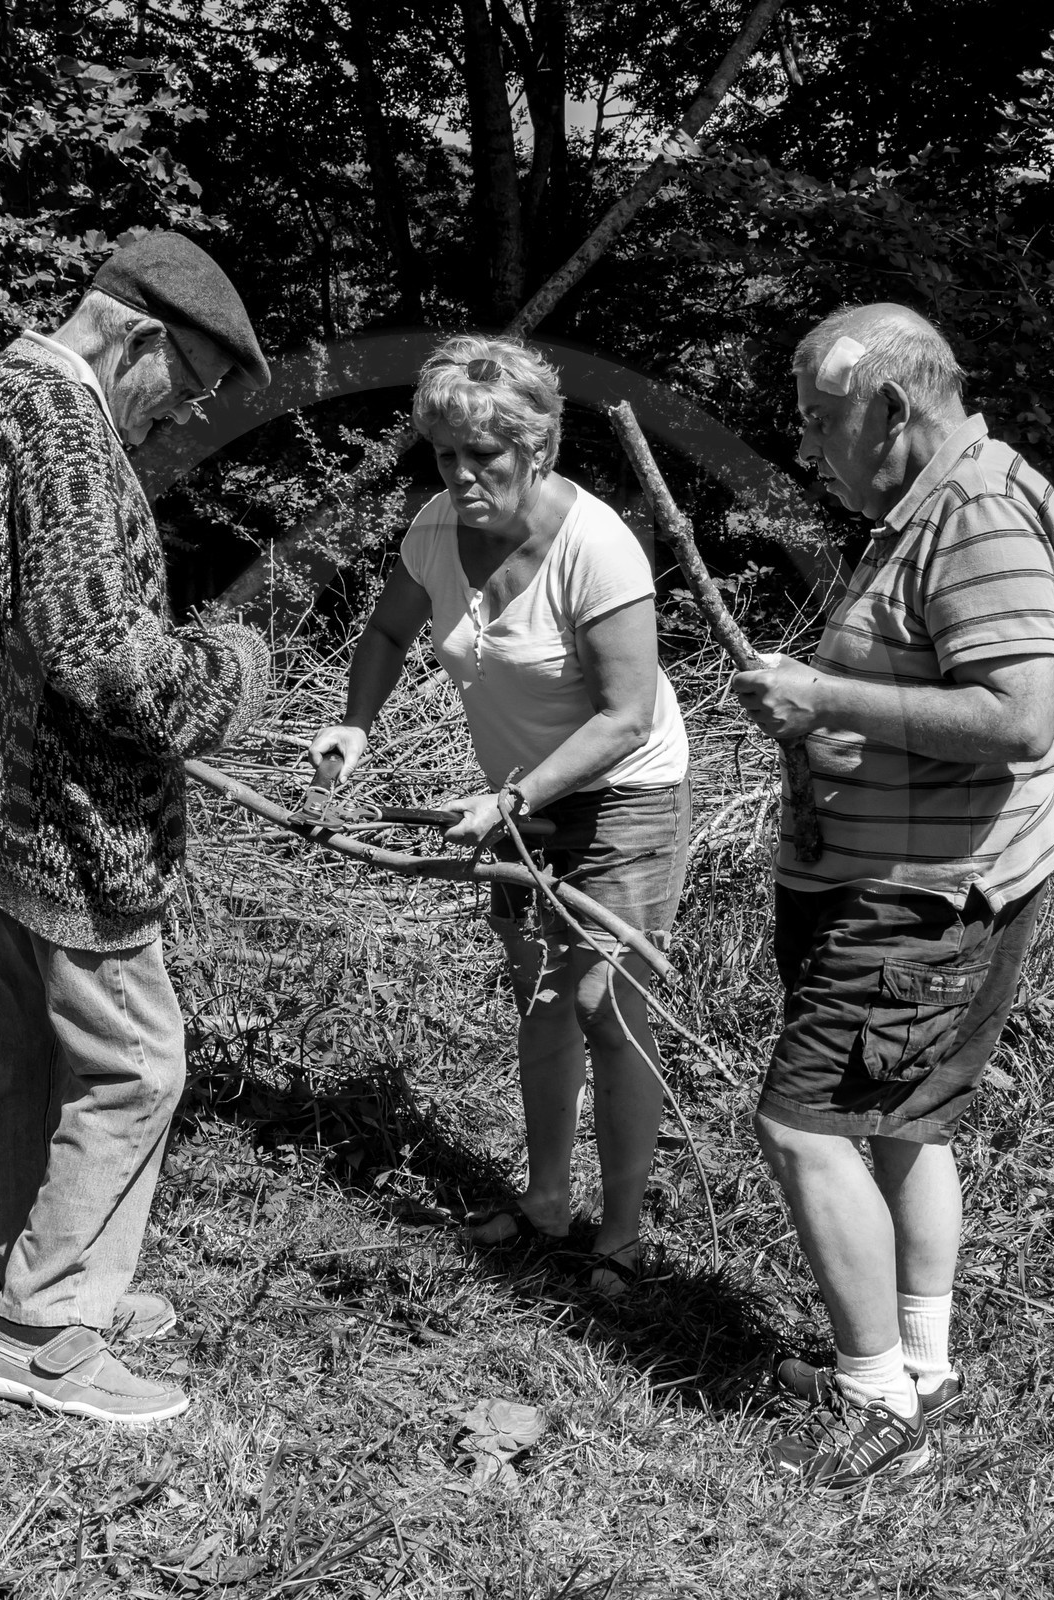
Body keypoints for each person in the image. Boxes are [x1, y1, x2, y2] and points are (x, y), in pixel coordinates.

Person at [0, 233, 274, 1425]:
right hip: (65, 823)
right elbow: (111, 663)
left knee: (33, 1058)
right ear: (138, 336)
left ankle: (38, 1257)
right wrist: (236, 668)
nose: (183, 414)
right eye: (195, 383)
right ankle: (42, 1328)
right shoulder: (66, 436)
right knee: (135, 1065)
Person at [731, 304, 1054, 1488]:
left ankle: (875, 1405)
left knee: (803, 1125)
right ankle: (920, 1363)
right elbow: (935, 700)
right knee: (898, 1118)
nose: (806, 445)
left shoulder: (974, 511)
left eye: (819, 419)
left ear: (893, 406)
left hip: (916, 899)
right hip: (912, 877)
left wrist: (825, 702)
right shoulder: (929, 505)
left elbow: (1014, 717)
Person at [308, 335, 691, 1294]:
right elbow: (391, 628)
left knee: (607, 1005)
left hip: (622, 796)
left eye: (487, 458)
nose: (465, 476)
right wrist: (354, 724)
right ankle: (548, 1202)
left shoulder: (596, 546)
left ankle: (625, 1233)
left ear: (539, 450)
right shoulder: (437, 528)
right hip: (514, 806)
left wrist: (514, 797)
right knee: (543, 1000)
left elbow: (626, 715)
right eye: (447, 455)